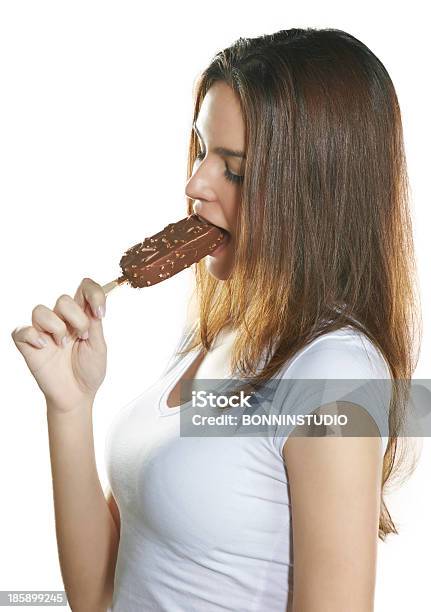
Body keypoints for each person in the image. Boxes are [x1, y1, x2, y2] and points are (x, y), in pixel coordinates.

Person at [11, 27, 421, 611]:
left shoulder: (335, 373)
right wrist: (69, 407)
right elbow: (100, 596)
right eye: (202, 150)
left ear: (313, 190)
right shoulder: (220, 335)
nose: (194, 183)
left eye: (234, 169)